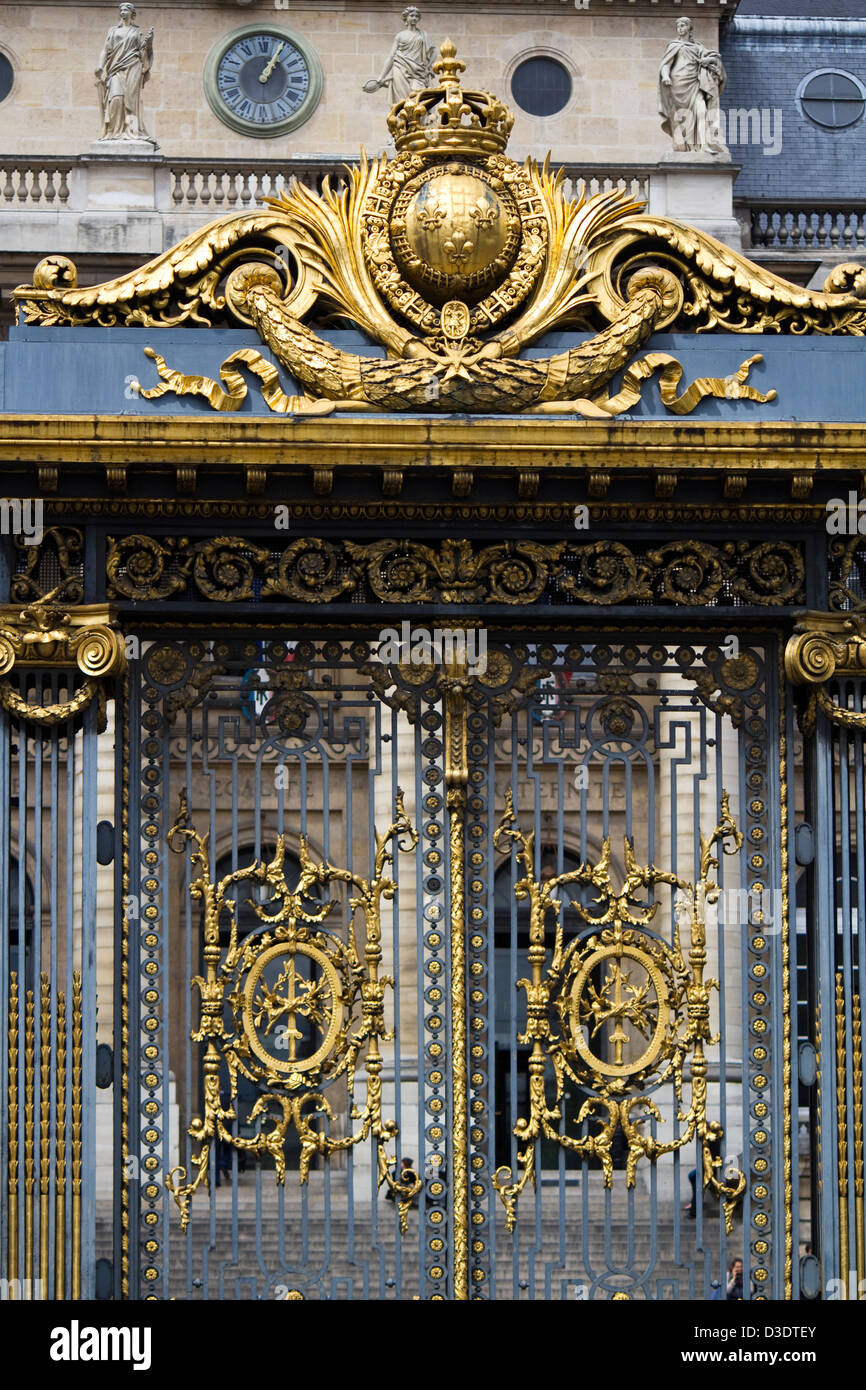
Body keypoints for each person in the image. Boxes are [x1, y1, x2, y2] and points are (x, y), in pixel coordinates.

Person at [658, 17, 727, 157]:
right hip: (677, 84)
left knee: (701, 111)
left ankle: (704, 145)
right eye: (679, 26)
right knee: (681, 117)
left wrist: (709, 60)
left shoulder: (697, 47)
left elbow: (715, 58)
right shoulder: (674, 46)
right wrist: (665, 76)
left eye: (683, 25)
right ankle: (685, 144)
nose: (680, 28)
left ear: (689, 28)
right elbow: (665, 64)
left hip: (694, 84)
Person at [95, 4, 155, 142]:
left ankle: (132, 131)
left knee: (131, 101)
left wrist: (149, 43)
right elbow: (105, 50)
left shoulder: (137, 32)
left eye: (125, 10)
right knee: (116, 98)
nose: (122, 12)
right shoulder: (113, 31)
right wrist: (100, 66)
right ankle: (114, 133)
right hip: (115, 69)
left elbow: (144, 53)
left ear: (132, 14)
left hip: (133, 67)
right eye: (121, 10)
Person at [363, 8, 435, 105]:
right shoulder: (400, 36)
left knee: (418, 101)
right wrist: (381, 76)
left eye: (417, 16)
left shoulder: (423, 35)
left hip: (419, 72)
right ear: (406, 18)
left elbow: (434, 52)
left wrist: (428, 67)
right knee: (403, 101)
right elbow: (391, 56)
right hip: (400, 70)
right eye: (412, 16)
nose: (414, 18)